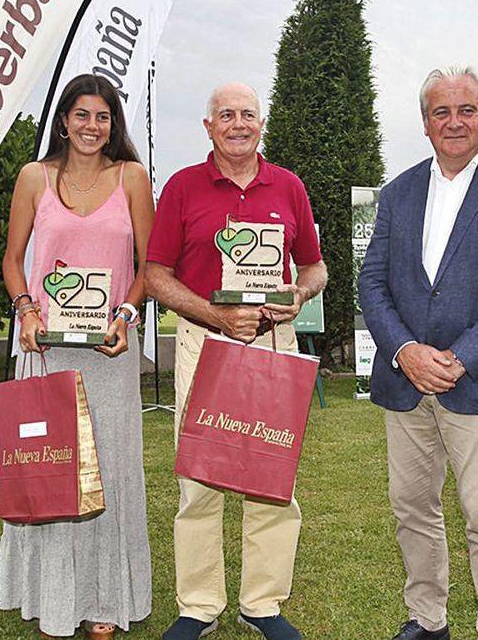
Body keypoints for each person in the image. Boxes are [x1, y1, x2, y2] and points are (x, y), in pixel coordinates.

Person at [359, 66, 478, 640]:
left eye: (466, 109)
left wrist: (461, 357)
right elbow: (373, 283)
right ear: (424, 123)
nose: (454, 121)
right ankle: (428, 618)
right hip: (406, 383)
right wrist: (405, 351)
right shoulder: (397, 193)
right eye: (440, 112)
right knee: (412, 509)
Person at [145, 82, 327, 640]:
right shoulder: (182, 187)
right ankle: (199, 605)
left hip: (274, 342)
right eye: (226, 115)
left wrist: (297, 295)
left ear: (261, 123)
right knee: (200, 478)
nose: (238, 124)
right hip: (206, 342)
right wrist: (214, 316)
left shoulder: (288, 186)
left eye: (248, 114)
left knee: (271, 479)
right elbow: (155, 276)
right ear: (209, 127)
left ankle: (262, 604)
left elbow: (315, 269)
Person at [0, 74, 154, 639]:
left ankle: (105, 601)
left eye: (103, 116)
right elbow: (13, 260)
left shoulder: (132, 178)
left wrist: (127, 316)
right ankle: (54, 598)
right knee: (50, 471)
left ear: (114, 124)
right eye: (82, 115)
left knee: (108, 472)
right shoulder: (32, 178)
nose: (92, 126)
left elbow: (147, 267)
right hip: (45, 351)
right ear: (62, 120)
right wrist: (26, 311)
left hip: (109, 352)